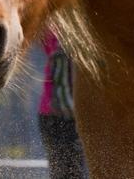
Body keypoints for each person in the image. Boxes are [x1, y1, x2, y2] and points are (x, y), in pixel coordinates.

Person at [38, 31, 89, 179]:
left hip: (73, 116)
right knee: (62, 170)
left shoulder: (86, 35)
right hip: (53, 114)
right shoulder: (54, 34)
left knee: (73, 170)